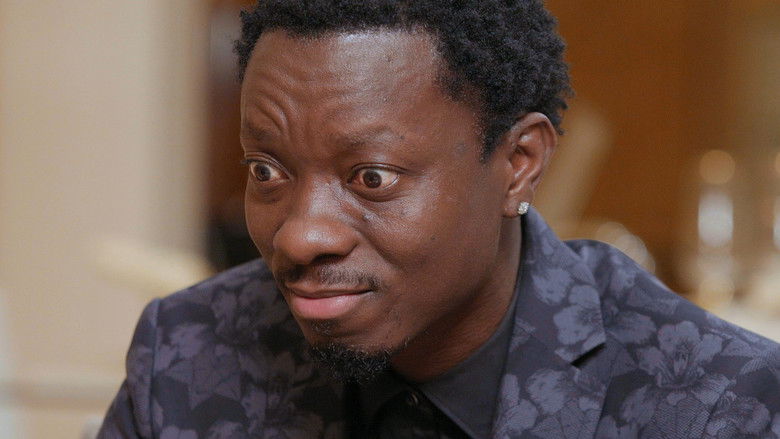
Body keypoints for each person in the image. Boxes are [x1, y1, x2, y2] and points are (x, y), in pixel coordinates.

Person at [98, 1, 780, 438]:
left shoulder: (713, 401)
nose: (300, 235)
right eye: (266, 172)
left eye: (371, 178)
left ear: (518, 164)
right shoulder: (189, 355)